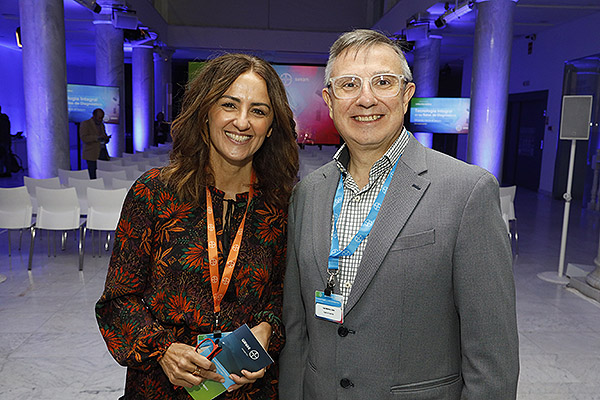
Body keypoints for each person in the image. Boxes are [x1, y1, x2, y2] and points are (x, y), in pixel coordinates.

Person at [279, 29, 519, 399]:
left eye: (383, 82)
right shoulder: (308, 193)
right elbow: (296, 329)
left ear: (406, 96)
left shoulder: (467, 191)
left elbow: (492, 357)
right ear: (329, 100)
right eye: (349, 85)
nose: (366, 98)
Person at [96, 53, 299, 400]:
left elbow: (284, 297)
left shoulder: (280, 206)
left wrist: (268, 329)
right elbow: (117, 301)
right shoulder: (154, 193)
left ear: (270, 129)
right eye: (229, 105)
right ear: (205, 114)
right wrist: (162, 350)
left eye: (259, 111)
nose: (242, 121)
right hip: (163, 388)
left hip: (248, 390)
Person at [80, 108, 110, 179]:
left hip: (102, 152)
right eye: (99, 117)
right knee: (93, 175)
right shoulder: (86, 123)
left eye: (102, 118)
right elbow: (84, 138)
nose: (100, 119)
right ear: (94, 116)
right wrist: (97, 137)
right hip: (91, 154)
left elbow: (103, 135)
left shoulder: (101, 125)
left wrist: (106, 138)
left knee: (103, 175)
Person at [0, 105, 12, 177]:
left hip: (1, 140)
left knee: (1, 157)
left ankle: (1, 172)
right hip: (6, 140)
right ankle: (8, 171)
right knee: (7, 157)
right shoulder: (5, 118)